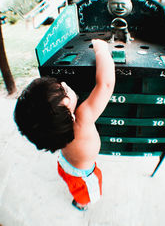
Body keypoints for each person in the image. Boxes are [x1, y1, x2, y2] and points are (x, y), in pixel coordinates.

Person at [14, 39, 115, 211]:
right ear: (69, 115)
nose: (66, 84)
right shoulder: (83, 118)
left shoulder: (53, 131)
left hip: (65, 164)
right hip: (84, 175)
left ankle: (78, 197)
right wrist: (101, 50)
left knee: (71, 182)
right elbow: (105, 85)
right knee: (86, 193)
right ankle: (82, 203)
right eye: (65, 90)